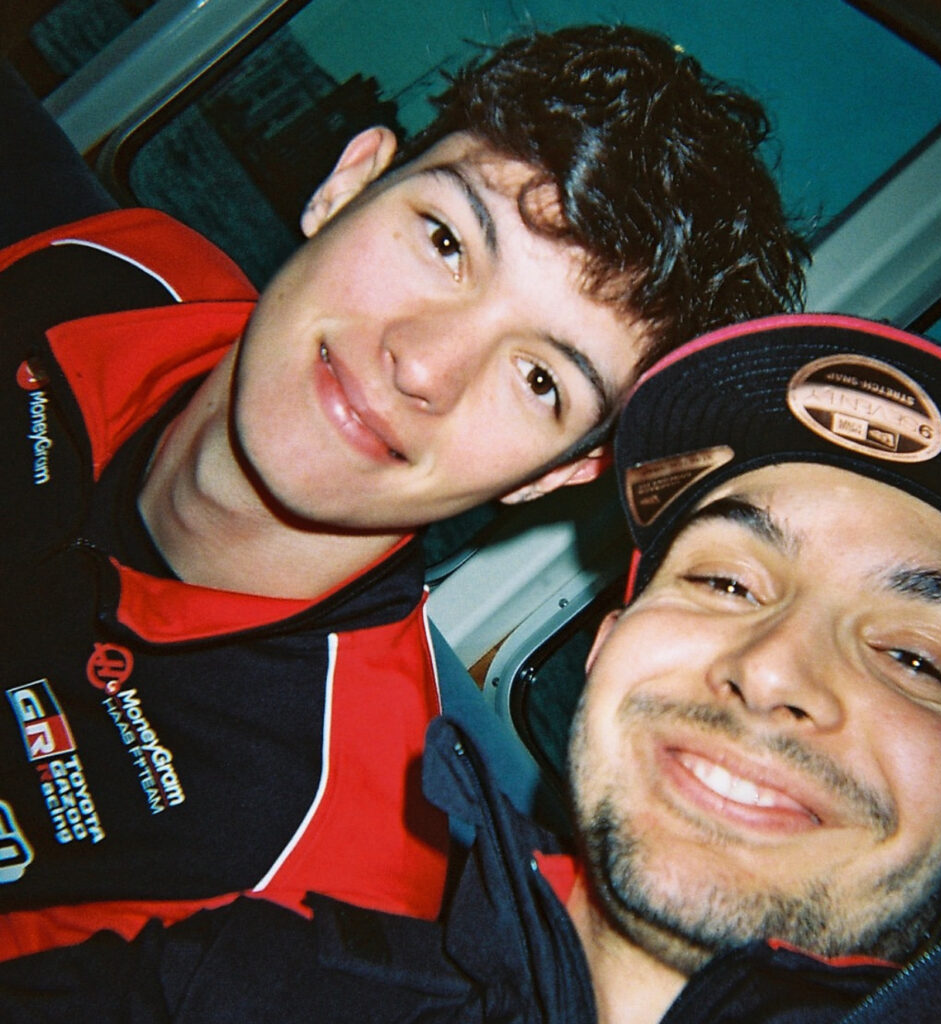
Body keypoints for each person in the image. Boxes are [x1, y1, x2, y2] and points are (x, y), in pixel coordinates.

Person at [0, 25, 809, 959]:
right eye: (444, 240)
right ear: (348, 182)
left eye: (540, 380)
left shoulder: (316, 873)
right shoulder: (108, 274)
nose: (424, 365)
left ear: (558, 473)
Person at [0, 312, 941, 1023]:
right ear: (604, 654)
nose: (773, 668)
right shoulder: (238, 977)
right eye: (727, 583)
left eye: (912, 657)